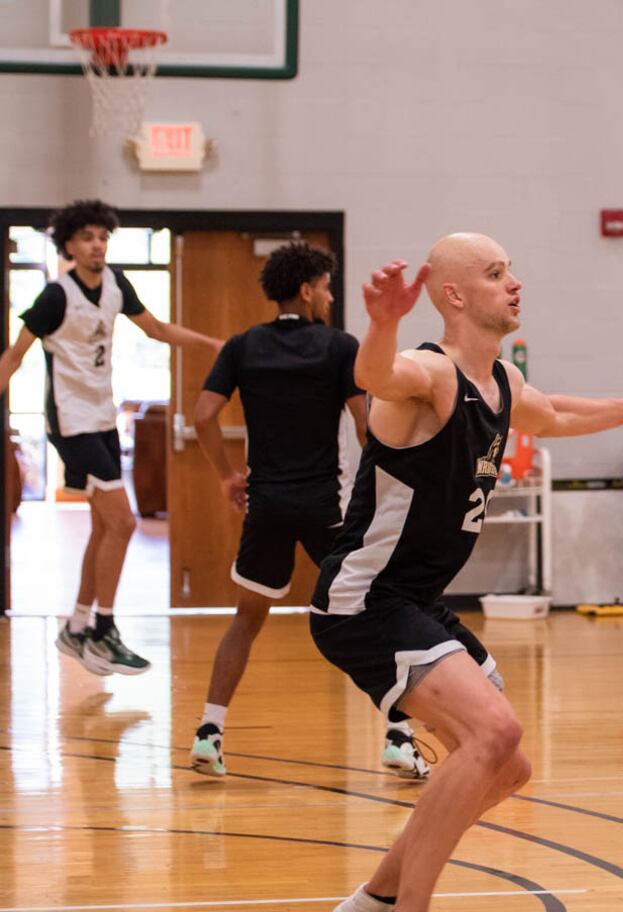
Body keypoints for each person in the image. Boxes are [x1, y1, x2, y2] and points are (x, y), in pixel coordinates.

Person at [317, 235, 623, 912]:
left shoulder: (502, 379)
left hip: (416, 599)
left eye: (511, 268)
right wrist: (380, 323)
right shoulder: (430, 373)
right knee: (493, 730)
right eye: (493, 273)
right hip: (365, 598)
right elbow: (378, 376)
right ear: (450, 296)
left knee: (505, 764)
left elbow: (554, 412)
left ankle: (373, 904)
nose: (513, 282)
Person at [187, 243, 432, 779]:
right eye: (324, 287)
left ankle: (209, 731)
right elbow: (369, 428)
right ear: (306, 290)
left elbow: (203, 415)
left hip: (267, 506)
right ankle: (398, 736)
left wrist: (229, 474)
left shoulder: (242, 346)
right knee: (374, 614)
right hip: (328, 508)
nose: (328, 296)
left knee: (245, 621)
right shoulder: (339, 348)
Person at [0, 200, 222, 674]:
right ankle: (102, 630)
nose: (96, 245)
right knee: (123, 523)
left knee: (105, 527)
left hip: (100, 418)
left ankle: (76, 626)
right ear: (69, 247)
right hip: (70, 422)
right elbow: (13, 357)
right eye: (86, 237)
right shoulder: (56, 296)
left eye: (102, 236)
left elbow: (157, 329)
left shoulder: (117, 284)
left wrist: (212, 345)